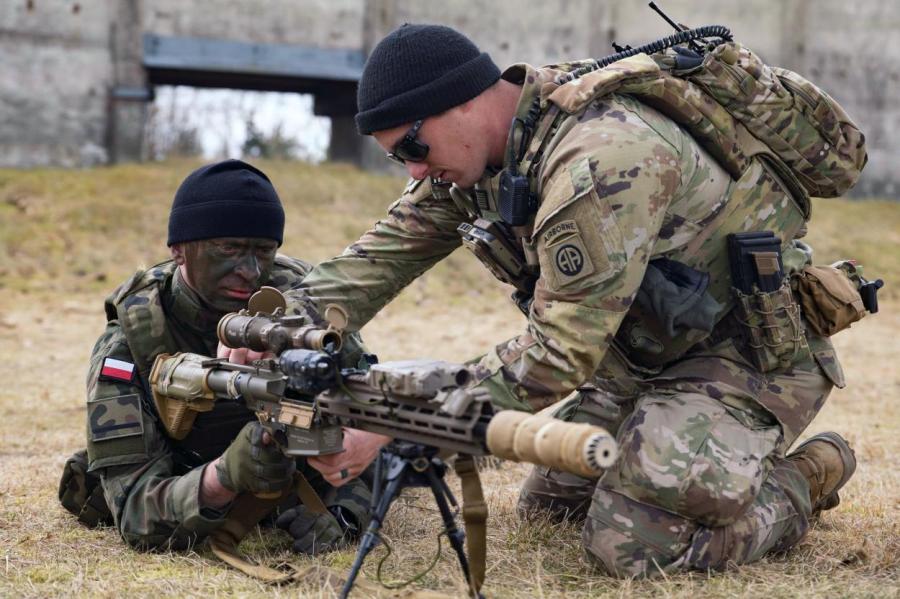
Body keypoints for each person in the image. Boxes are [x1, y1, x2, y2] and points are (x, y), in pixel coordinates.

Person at [286, 24, 862, 577]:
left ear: (461, 100)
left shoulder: (600, 159)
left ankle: (807, 476)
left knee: (631, 546)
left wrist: (397, 422)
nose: (412, 168)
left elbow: (558, 355)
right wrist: (263, 327)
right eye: (396, 157)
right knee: (549, 507)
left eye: (412, 145)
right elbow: (370, 265)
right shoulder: (484, 158)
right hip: (638, 363)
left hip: (746, 360)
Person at [58, 159, 371, 556]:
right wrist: (222, 478)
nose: (250, 271)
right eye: (229, 249)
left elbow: (372, 427)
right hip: (186, 472)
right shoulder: (133, 341)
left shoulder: (306, 308)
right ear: (179, 251)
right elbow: (137, 512)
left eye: (264, 251)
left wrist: (346, 510)